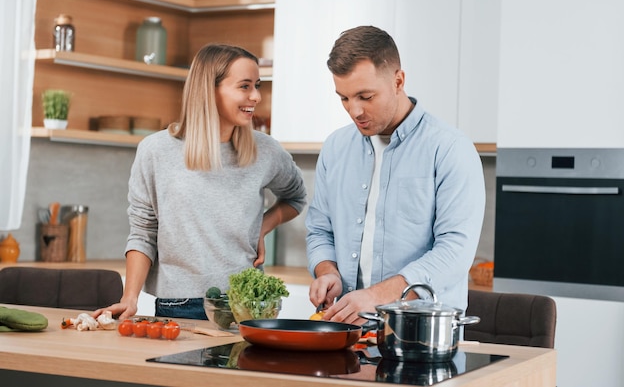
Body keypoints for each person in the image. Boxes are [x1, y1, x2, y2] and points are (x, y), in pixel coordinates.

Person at [95, 44, 307, 320]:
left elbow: (296, 197)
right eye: (244, 86)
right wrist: (130, 298)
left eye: (257, 85)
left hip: (247, 304)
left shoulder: (266, 151)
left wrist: (263, 227)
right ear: (210, 90)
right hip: (179, 305)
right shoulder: (156, 150)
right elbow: (143, 232)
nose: (256, 96)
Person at [306, 26, 485, 324]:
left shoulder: (450, 148)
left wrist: (375, 297)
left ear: (398, 80)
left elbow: (455, 251)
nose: (355, 110)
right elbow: (320, 230)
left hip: (423, 336)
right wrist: (328, 271)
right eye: (344, 98)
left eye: (365, 96)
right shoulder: (336, 148)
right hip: (348, 332)